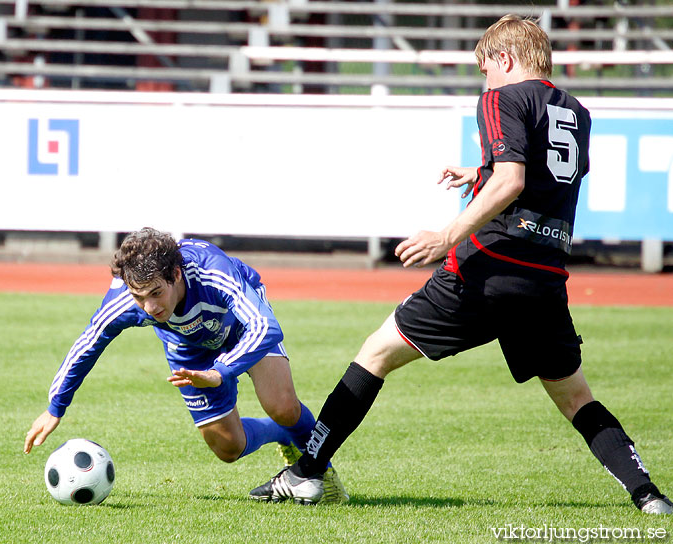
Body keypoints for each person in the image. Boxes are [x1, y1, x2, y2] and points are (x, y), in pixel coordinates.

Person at [250, 15, 672, 514]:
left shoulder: (500, 98)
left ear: (504, 59)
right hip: (544, 278)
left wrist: (446, 234)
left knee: (376, 354)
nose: (484, 81)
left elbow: (513, 180)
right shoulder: (574, 109)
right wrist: (479, 171)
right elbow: (546, 174)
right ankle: (649, 496)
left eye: (485, 69)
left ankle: (307, 473)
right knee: (576, 398)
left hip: (487, 268)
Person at [23, 227, 348, 503]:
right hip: (187, 346)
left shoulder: (213, 271)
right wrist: (56, 406)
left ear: (176, 275)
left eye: (156, 293)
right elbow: (89, 343)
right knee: (228, 447)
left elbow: (265, 327)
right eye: (139, 297)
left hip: (239, 325)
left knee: (284, 407)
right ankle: (282, 435)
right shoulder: (128, 299)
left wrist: (220, 372)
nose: (149, 307)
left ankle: (318, 472)